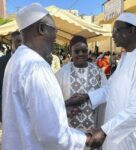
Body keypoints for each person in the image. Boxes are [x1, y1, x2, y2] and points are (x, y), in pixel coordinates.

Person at [2, 3, 104, 150]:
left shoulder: (16, 60)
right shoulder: (36, 66)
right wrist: (87, 139)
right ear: (42, 29)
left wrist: (61, 110)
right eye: (54, 30)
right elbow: (53, 135)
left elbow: (28, 112)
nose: (55, 36)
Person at [65, 12, 136, 150]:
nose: (113, 35)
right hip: (113, 130)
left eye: (117, 30)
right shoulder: (125, 56)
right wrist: (87, 96)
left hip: (131, 136)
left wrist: (105, 131)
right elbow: (111, 88)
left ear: (132, 30)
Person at [56, 36, 107, 133]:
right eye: (77, 51)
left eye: (84, 51)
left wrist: (88, 96)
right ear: (71, 52)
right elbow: (53, 98)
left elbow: (107, 92)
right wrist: (66, 105)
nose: (81, 54)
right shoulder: (62, 73)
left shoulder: (98, 72)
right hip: (69, 130)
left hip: (93, 130)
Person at [0, 31, 21, 122]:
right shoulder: (2, 61)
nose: (20, 44)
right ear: (11, 41)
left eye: (23, 42)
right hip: (5, 107)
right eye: (18, 41)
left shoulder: (30, 61)